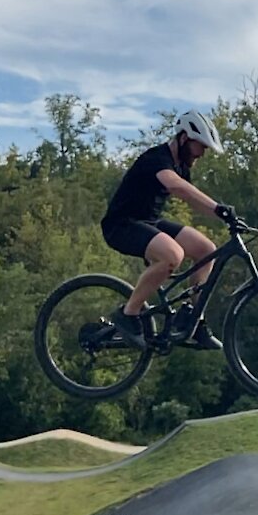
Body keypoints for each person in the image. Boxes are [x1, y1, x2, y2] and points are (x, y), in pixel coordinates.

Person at [100, 109, 231, 350]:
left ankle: (193, 320)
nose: (202, 153)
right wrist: (218, 208)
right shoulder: (157, 159)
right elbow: (176, 186)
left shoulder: (181, 164)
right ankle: (128, 314)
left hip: (148, 222)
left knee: (206, 249)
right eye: (199, 146)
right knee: (173, 255)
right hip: (121, 225)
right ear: (183, 139)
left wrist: (225, 216)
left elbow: (192, 198)